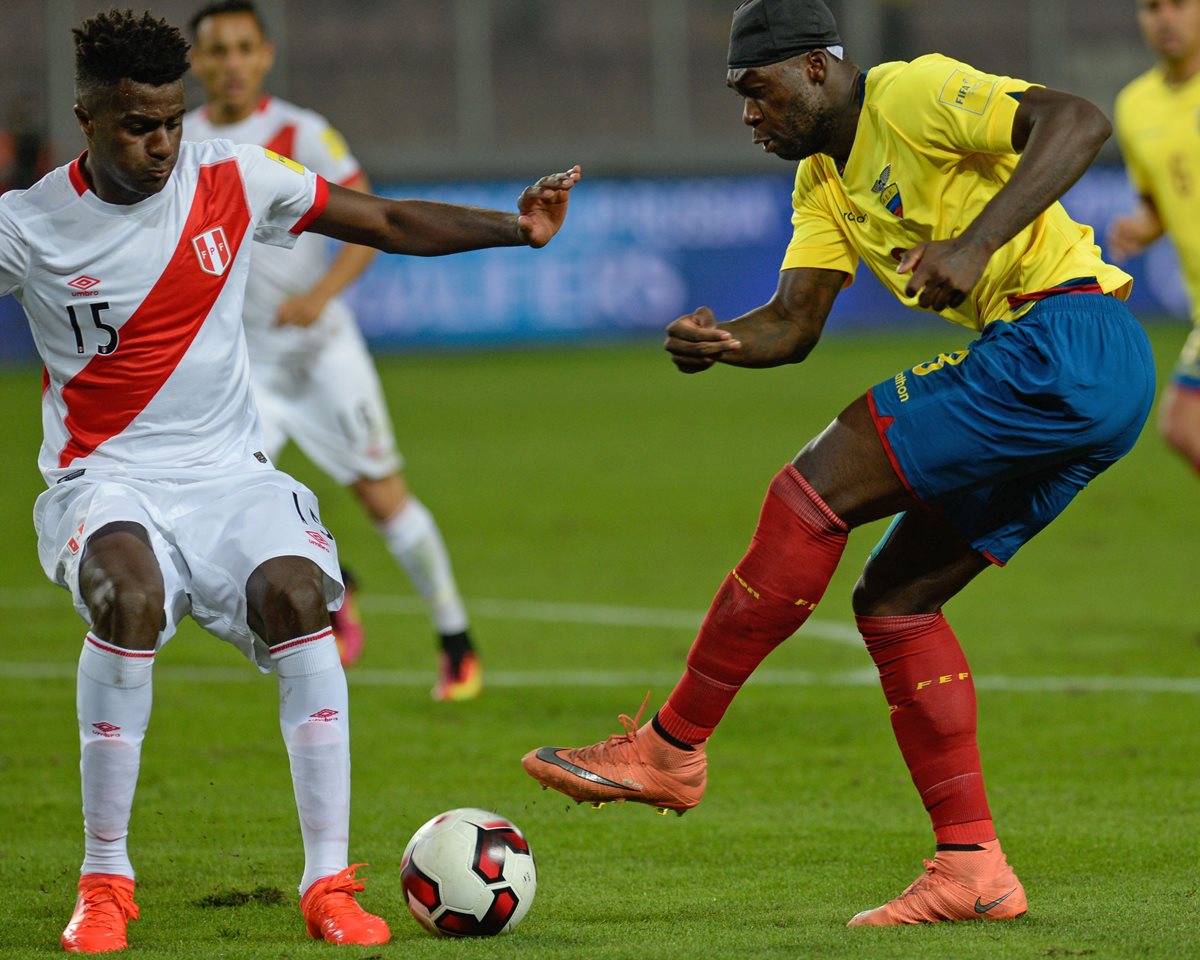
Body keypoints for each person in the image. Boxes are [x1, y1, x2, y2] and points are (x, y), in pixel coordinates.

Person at [523, 0, 1153, 927]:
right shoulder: (823, 179)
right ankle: (973, 866)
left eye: (758, 89)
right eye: (741, 96)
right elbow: (793, 323)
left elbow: (1079, 121)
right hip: (1074, 378)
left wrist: (976, 246)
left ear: (816, 67)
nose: (748, 113)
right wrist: (723, 342)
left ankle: (670, 749)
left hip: (1061, 340)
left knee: (805, 496)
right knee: (896, 604)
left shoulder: (915, 92)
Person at [1, 9, 577, 953]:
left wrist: (514, 227)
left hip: (231, 475)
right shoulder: (30, 228)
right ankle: (105, 881)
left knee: (299, 593)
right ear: (88, 119)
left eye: (170, 120)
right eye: (136, 125)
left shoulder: (232, 176)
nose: (160, 144)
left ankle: (329, 884)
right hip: (103, 481)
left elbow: (384, 220)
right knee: (130, 597)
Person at [183, 0, 481, 700]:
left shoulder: (300, 132)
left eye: (242, 48)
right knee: (227, 512)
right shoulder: (182, 144)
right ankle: (334, 591)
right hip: (243, 368)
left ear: (264, 56)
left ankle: (456, 641)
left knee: (384, 498)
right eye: (216, 50)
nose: (230, 63)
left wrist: (320, 296)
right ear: (195, 62)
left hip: (320, 357)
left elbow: (369, 219)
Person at [1110, 0, 1200, 472]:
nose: (1165, 18)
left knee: (1186, 419)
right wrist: (1143, 227)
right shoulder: (1134, 105)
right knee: (1185, 424)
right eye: (1152, 7)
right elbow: (1162, 201)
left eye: (1179, 5)